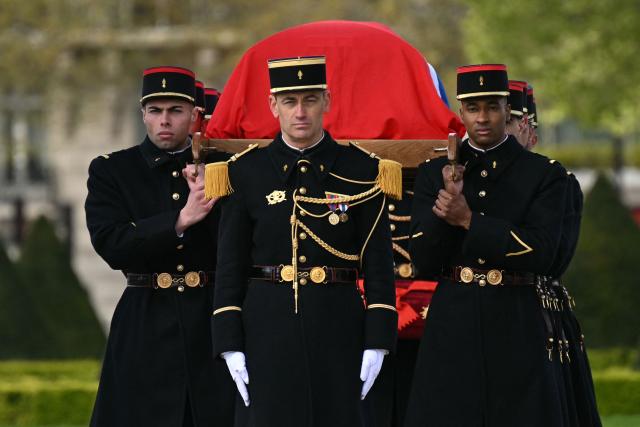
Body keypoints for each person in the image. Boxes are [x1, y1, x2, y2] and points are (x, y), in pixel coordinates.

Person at [209, 55, 398, 427]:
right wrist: (229, 342)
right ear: (273, 105)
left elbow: (378, 263)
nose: (300, 112)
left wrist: (378, 337)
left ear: (326, 102)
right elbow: (230, 264)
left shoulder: (361, 169)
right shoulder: (246, 172)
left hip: (339, 325)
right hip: (267, 326)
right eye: (290, 101)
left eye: (310, 100)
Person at [405, 64, 574, 426]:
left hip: (517, 319)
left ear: (506, 109)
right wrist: (442, 215)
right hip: (454, 317)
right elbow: (420, 258)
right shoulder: (435, 173)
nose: (482, 118)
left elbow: (542, 253)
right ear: (461, 112)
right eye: (473, 108)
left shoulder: (545, 175)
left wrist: (469, 220)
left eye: (493, 107)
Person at [85, 65, 235, 427]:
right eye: (155, 111)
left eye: (175, 111)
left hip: (209, 321)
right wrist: (180, 219)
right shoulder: (113, 170)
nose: (164, 121)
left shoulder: (222, 169)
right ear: (143, 115)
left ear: (194, 116)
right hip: (145, 320)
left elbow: (238, 246)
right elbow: (112, 244)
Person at [510, 91, 602, 426]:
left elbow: (552, 257)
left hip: (539, 313)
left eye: (509, 121)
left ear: (529, 130)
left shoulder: (555, 182)